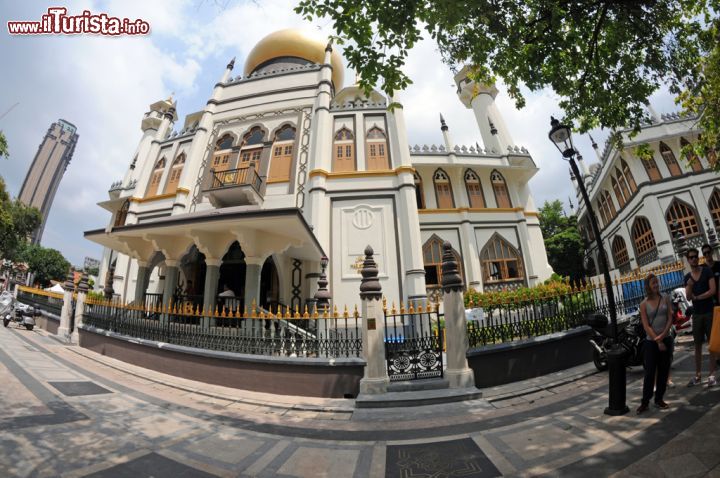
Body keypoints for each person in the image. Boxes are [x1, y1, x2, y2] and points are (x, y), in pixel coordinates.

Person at [637, 273, 674, 414]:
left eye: (657, 282)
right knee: (650, 372)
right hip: (651, 343)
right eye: (653, 283)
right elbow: (646, 326)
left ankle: (659, 399)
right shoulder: (643, 304)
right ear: (648, 286)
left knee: (664, 371)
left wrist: (663, 336)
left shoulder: (665, 298)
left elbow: (670, 318)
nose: (656, 285)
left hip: (666, 339)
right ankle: (645, 402)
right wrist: (658, 340)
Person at [684, 247, 717, 387]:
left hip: (709, 312)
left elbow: (713, 290)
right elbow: (687, 296)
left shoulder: (707, 271)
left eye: (695, 256)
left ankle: (711, 375)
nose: (693, 259)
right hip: (697, 314)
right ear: (688, 260)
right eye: (691, 257)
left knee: (712, 345)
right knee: (697, 345)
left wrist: (698, 297)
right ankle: (698, 376)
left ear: (698, 258)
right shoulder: (687, 277)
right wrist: (690, 287)